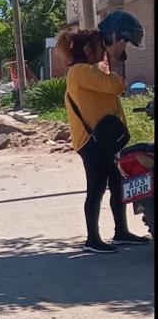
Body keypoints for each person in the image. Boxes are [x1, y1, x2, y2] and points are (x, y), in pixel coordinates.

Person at [56, 14, 149, 253]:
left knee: (117, 184)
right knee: (96, 188)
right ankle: (93, 239)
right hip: (91, 142)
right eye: (99, 47)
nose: (102, 51)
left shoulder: (90, 71)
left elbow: (111, 90)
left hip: (103, 140)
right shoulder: (80, 72)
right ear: (87, 49)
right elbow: (115, 85)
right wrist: (114, 58)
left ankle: (121, 231)